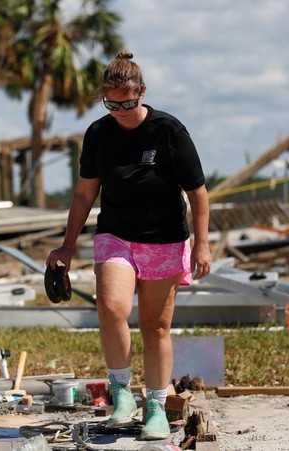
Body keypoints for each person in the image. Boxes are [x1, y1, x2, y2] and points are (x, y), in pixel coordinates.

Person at [46, 51, 211, 440]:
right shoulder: (99, 133)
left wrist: (202, 245)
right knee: (112, 307)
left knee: (155, 326)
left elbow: (198, 194)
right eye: (112, 102)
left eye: (128, 102)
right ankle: (121, 393)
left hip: (165, 240)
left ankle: (154, 404)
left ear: (142, 92)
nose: (120, 109)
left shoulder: (169, 131)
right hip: (115, 235)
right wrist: (66, 247)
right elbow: (85, 195)